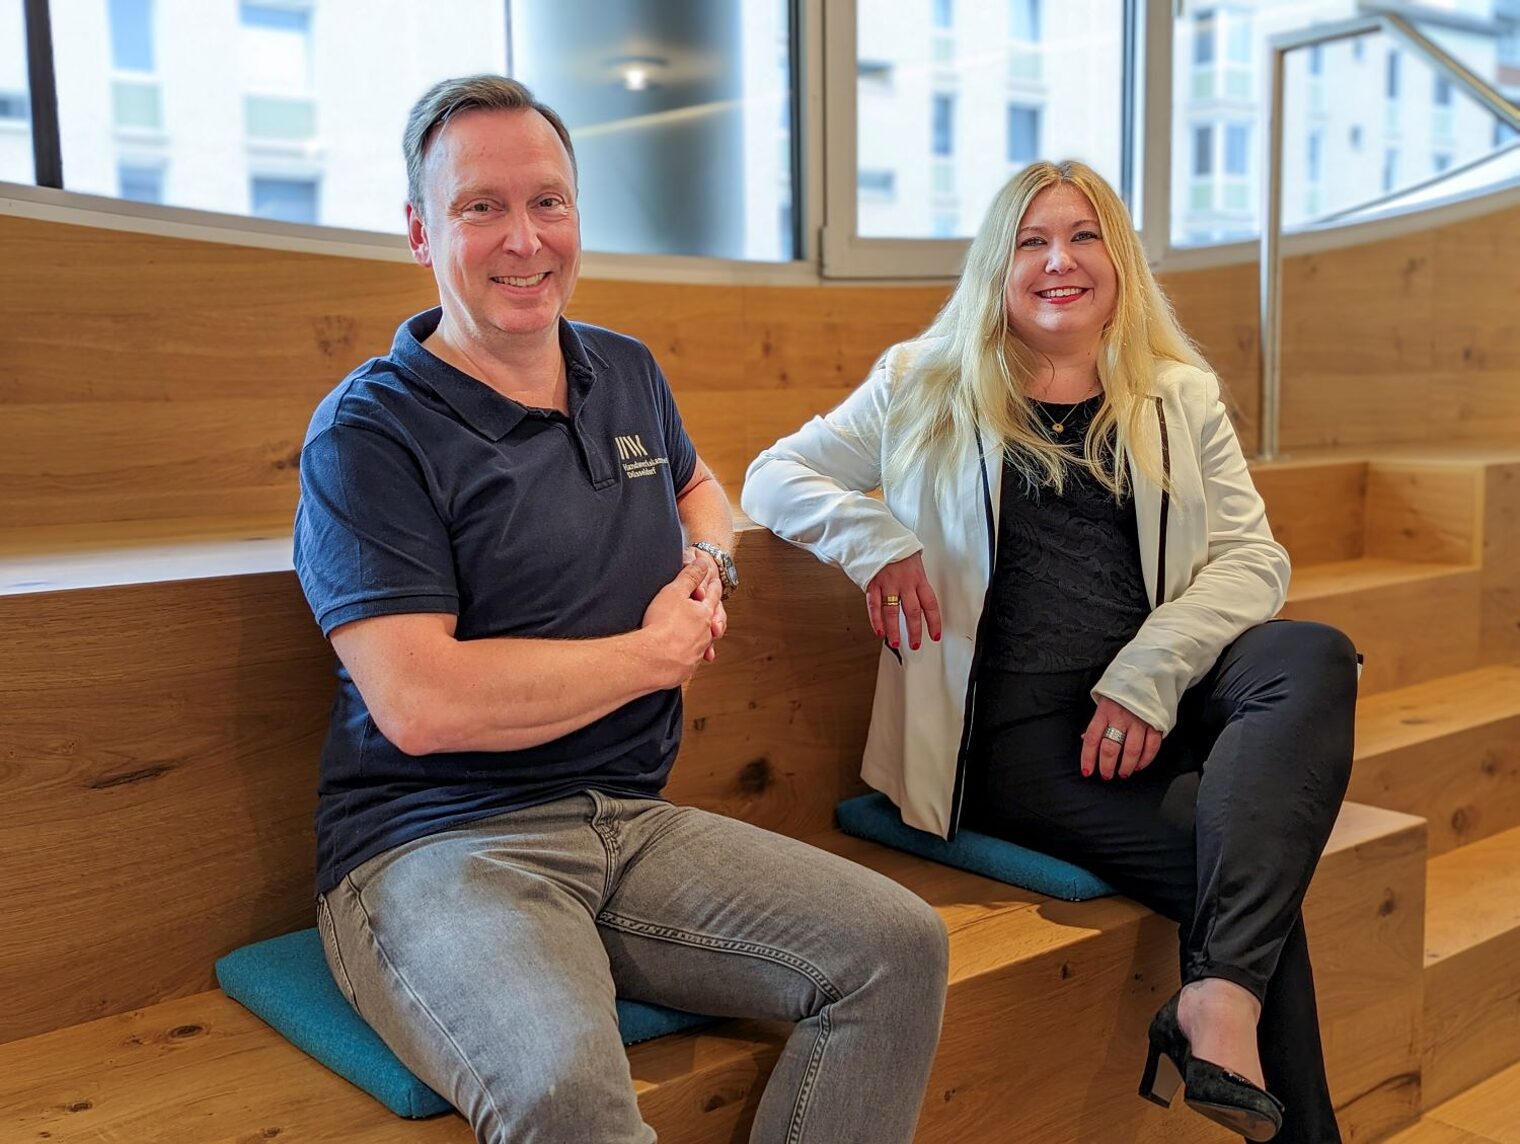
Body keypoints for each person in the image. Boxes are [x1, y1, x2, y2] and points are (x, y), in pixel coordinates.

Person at [292, 75, 948, 1144]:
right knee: (563, 1094)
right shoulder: (368, 432)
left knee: (898, 946)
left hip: (626, 820)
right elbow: (419, 703)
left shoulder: (624, 371)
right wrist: (652, 654)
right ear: (420, 231)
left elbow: (701, 489)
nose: (524, 239)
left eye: (548, 202)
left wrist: (707, 563)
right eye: (480, 207)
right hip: (434, 848)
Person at [742, 159, 1357, 1144]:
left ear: (1118, 262)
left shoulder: (1175, 395)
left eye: (1082, 237)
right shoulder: (920, 381)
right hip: (1018, 740)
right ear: (996, 264)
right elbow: (774, 474)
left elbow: (1253, 557)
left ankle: (1212, 1002)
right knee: (1246, 890)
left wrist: (1150, 675)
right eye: (1030, 240)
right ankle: (1238, 1030)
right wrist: (876, 541)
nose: (1057, 260)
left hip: (1152, 698)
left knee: (1312, 654)